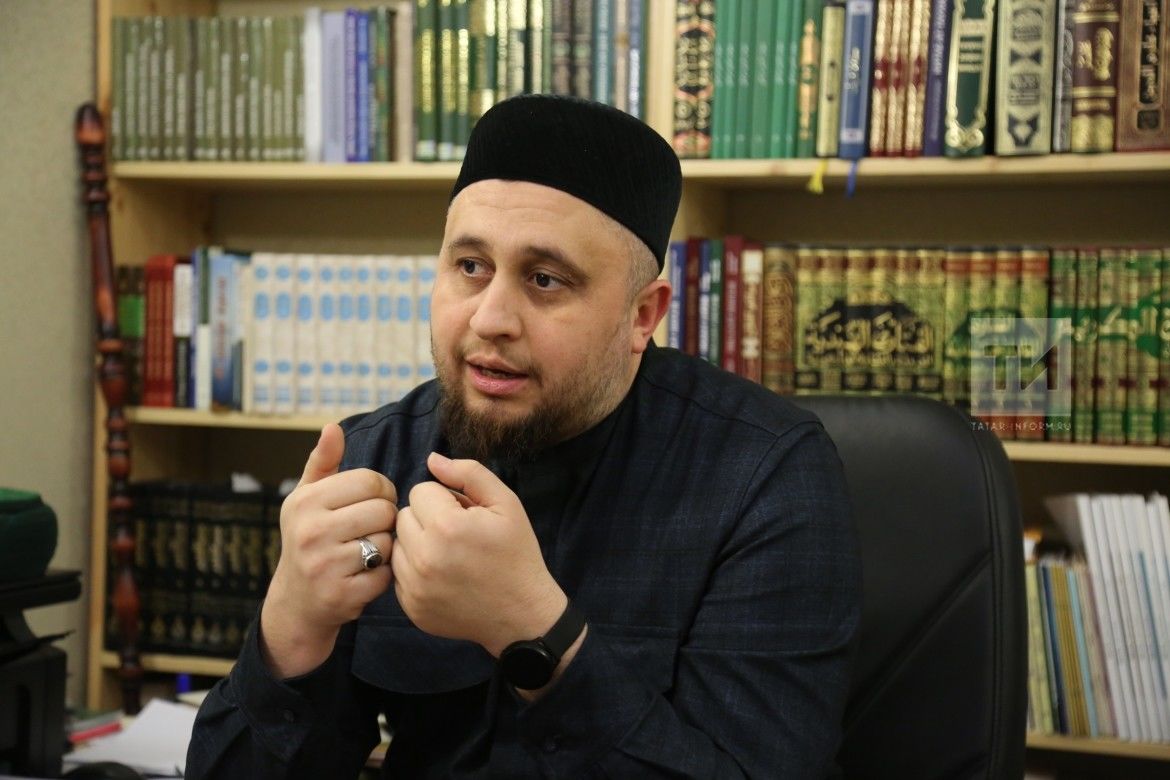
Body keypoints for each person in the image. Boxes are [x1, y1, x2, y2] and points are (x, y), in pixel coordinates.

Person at [186, 94, 861, 779]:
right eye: (470, 267)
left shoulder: (764, 477)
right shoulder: (376, 462)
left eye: (544, 280)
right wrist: (290, 628)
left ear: (642, 316)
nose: (491, 319)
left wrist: (536, 633)